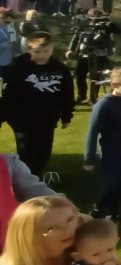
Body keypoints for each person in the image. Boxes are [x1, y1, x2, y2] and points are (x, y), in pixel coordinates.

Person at [0, 31, 74, 175]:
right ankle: (23, 182)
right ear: (29, 50)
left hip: (48, 117)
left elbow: (67, 94)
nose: (42, 55)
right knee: (27, 153)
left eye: (46, 51)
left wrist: (66, 115)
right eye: (37, 51)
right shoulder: (18, 67)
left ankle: (34, 178)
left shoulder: (60, 69)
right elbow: (8, 95)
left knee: (43, 152)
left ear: (52, 49)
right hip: (22, 119)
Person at [83, 68, 121, 221]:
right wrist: (89, 158)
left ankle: (113, 213)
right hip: (111, 150)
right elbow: (92, 132)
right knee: (111, 182)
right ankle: (98, 208)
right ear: (114, 85)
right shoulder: (104, 105)